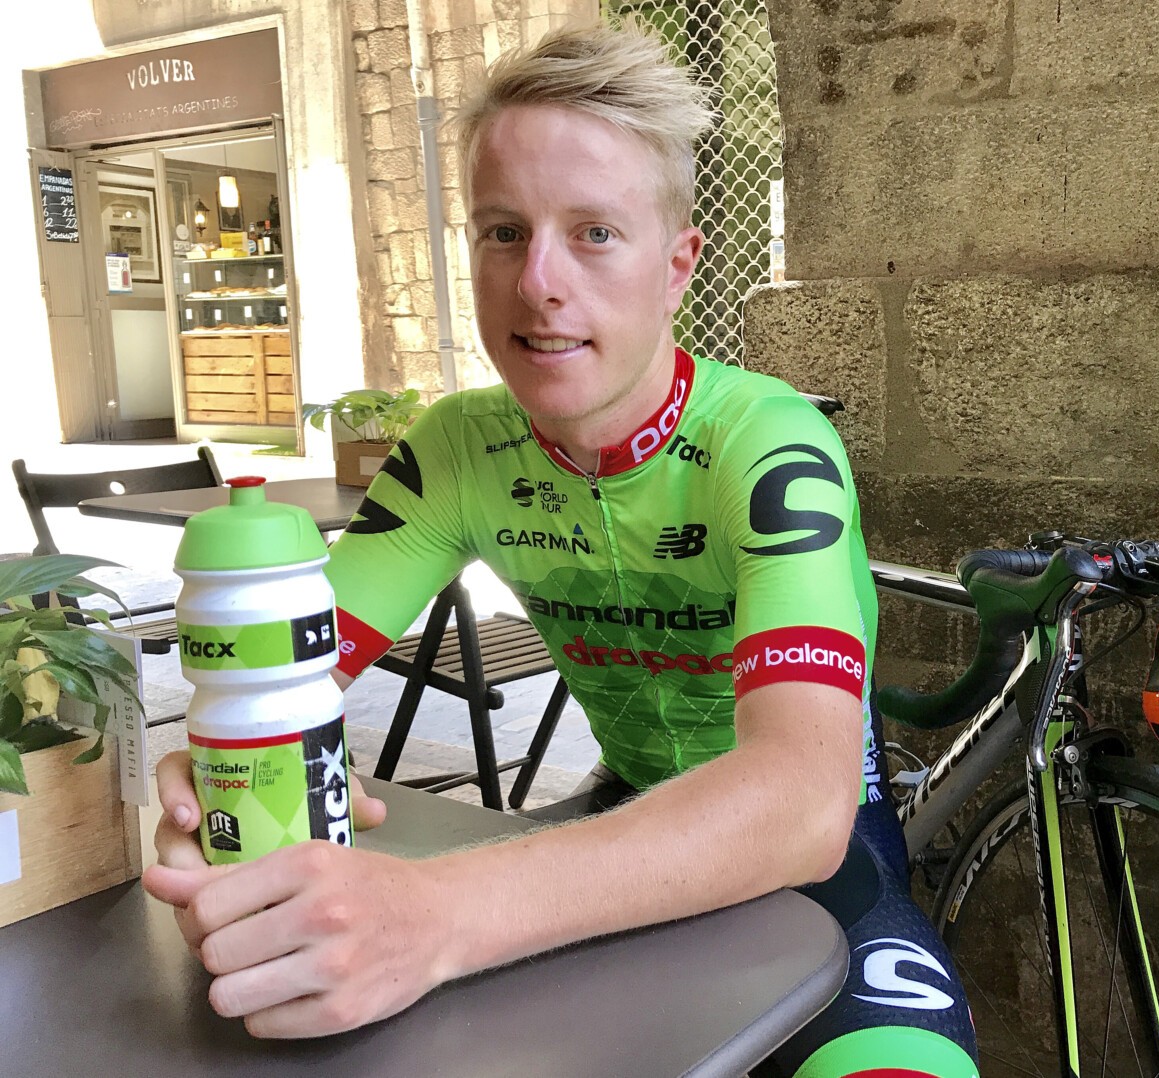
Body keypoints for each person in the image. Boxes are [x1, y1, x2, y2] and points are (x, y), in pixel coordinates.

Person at [143, 24, 979, 1078]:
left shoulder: (767, 439)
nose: (538, 283)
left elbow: (800, 802)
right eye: (503, 232)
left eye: (593, 233)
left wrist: (440, 915)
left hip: (817, 844)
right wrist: (233, 788)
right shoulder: (455, 447)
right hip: (623, 805)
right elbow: (292, 680)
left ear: (677, 266)